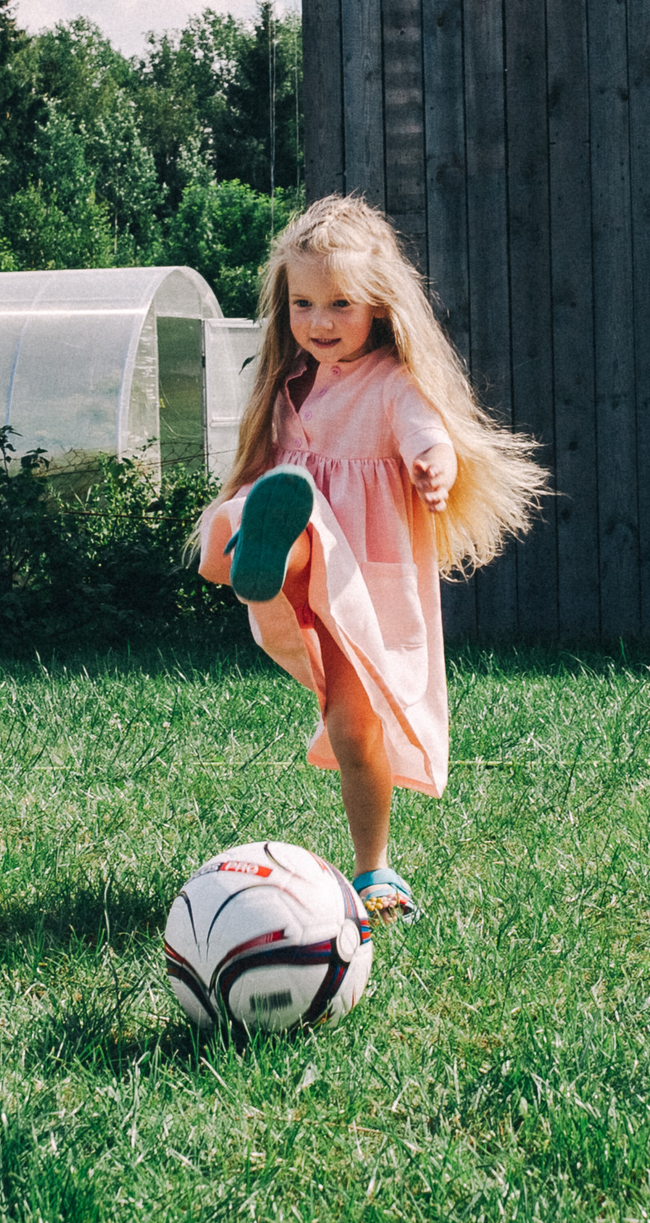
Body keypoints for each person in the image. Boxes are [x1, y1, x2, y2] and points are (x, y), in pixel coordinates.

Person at [199, 194, 546, 925]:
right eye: (302, 303)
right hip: (303, 567)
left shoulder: (392, 384)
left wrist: (436, 468)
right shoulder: (288, 387)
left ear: (380, 308)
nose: (319, 322)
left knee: (355, 729)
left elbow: (431, 434)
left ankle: (372, 872)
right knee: (269, 511)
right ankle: (249, 549)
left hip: (361, 585)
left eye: (339, 304)